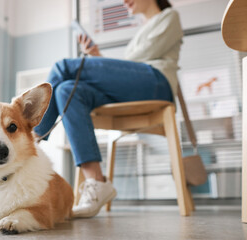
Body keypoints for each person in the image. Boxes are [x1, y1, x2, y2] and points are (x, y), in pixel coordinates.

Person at [34, 0, 183, 218]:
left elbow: (136, 62)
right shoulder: (143, 29)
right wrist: (97, 58)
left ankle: (32, 138)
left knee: (62, 68)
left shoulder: (169, 17)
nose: (124, 1)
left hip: (156, 83)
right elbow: (125, 73)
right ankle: (96, 181)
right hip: (133, 87)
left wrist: (99, 65)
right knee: (67, 90)